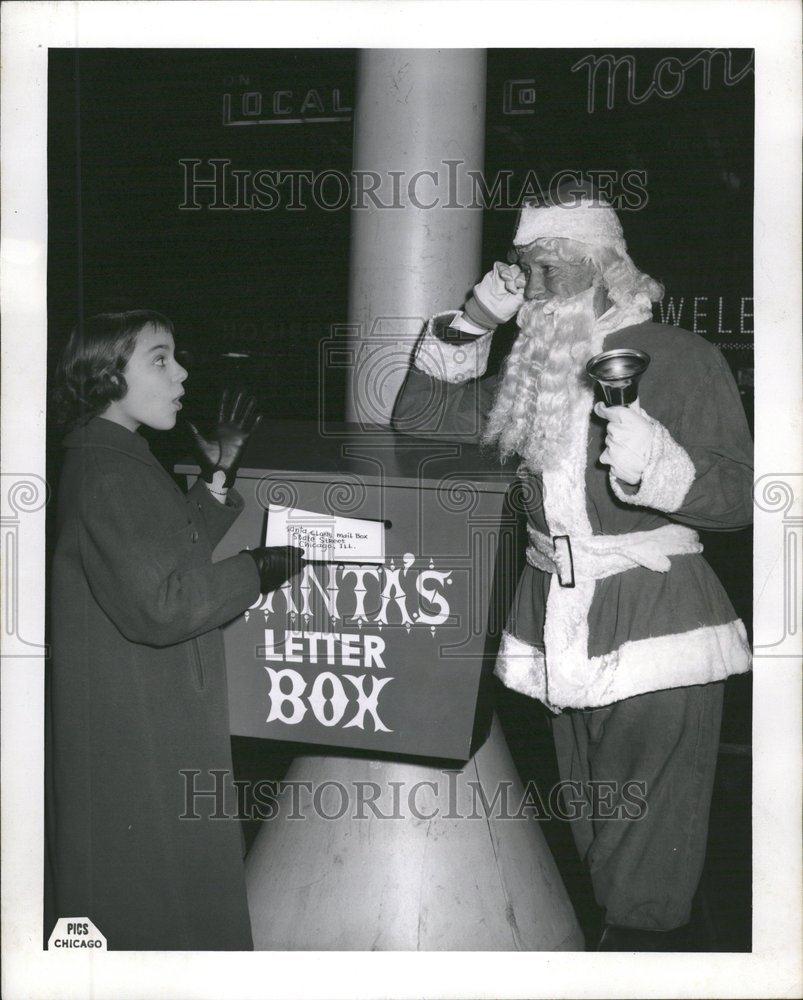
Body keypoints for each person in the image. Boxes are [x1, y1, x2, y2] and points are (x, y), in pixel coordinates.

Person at [392, 185, 753, 950]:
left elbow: (740, 497)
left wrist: (660, 472)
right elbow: (420, 418)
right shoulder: (536, 372)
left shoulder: (684, 358)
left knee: (648, 855)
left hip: (656, 619)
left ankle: (646, 959)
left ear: (604, 268)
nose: (536, 284)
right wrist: (475, 319)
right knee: (595, 832)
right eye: (525, 266)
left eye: (553, 266)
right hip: (556, 620)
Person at [48, 309, 303, 950]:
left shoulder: (115, 458)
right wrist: (256, 570)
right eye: (160, 359)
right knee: (159, 907)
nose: (181, 373)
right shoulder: (109, 473)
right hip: (140, 728)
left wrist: (223, 471)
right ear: (108, 375)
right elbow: (163, 605)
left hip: (144, 715)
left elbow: (170, 551)